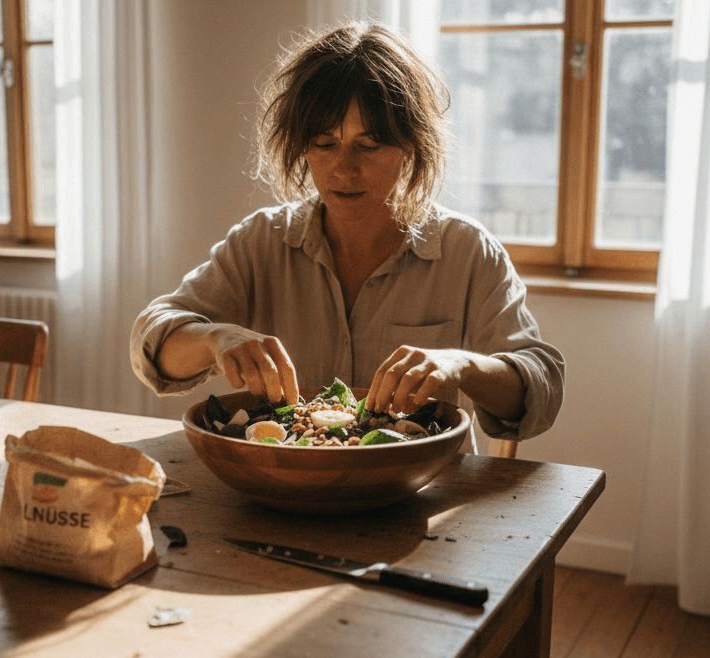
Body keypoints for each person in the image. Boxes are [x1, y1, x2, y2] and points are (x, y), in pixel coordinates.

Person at [130, 21, 564, 449]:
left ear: (411, 145)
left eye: (369, 145)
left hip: (423, 498)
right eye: (324, 143)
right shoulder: (262, 241)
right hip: (282, 494)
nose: (344, 168)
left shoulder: (467, 251)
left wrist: (460, 365)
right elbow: (153, 344)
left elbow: (540, 386)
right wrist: (215, 339)